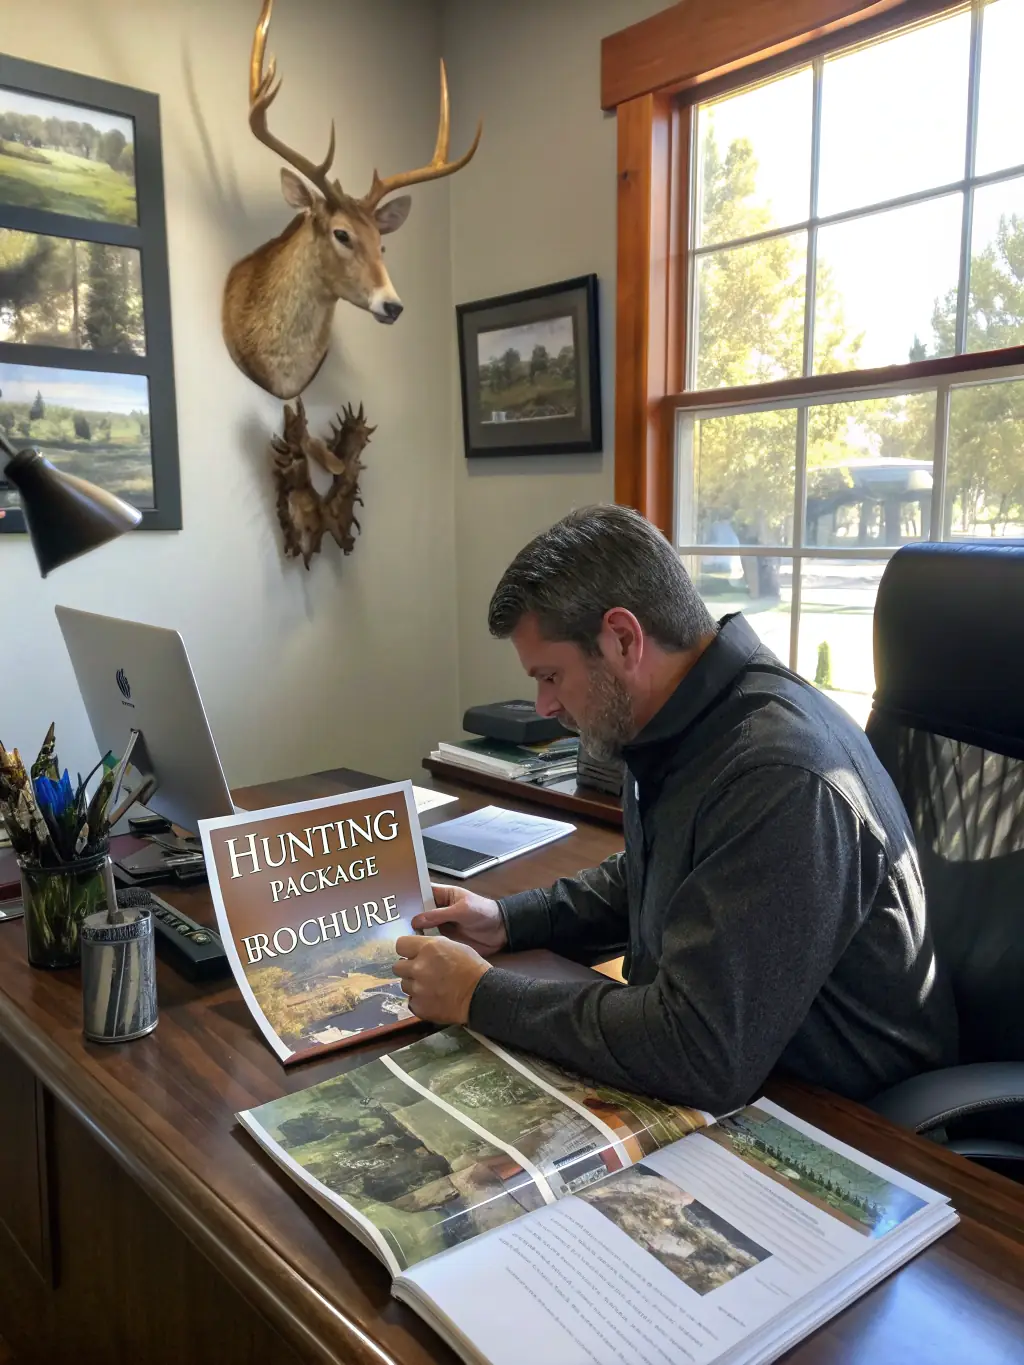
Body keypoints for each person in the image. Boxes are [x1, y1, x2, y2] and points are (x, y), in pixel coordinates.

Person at [393, 506, 956, 1113]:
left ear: (625, 639)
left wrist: (480, 996)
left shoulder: (779, 774)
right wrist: (508, 920)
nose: (545, 704)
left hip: (853, 1124)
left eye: (551, 675)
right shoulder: (686, 725)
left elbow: (698, 1051)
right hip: (746, 1071)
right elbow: (657, 873)